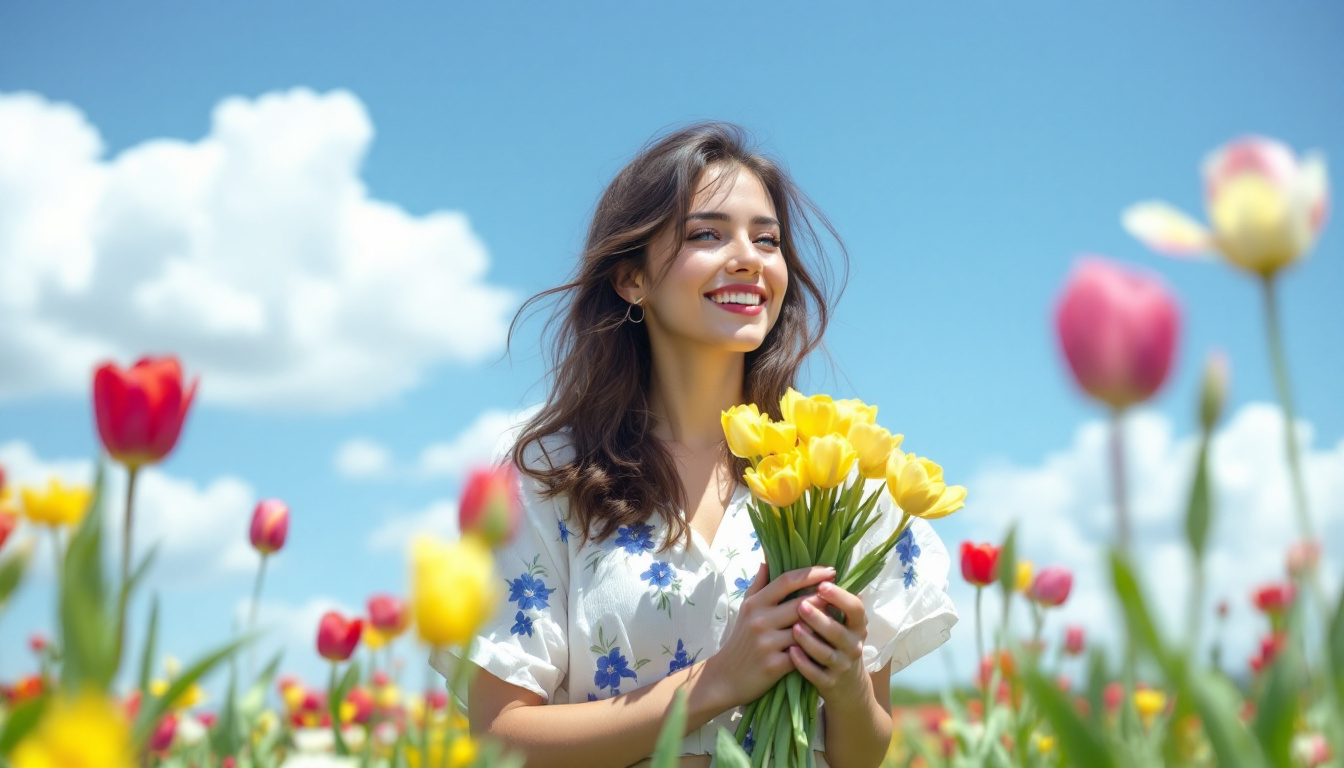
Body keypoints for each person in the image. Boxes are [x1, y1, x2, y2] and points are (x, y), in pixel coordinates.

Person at [433, 122, 957, 768]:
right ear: (631, 280)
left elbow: (864, 754)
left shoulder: (841, 472)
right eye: (707, 234)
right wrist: (714, 683)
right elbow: (501, 737)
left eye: (767, 240)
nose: (749, 258)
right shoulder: (550, 473)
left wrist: (846, 683)